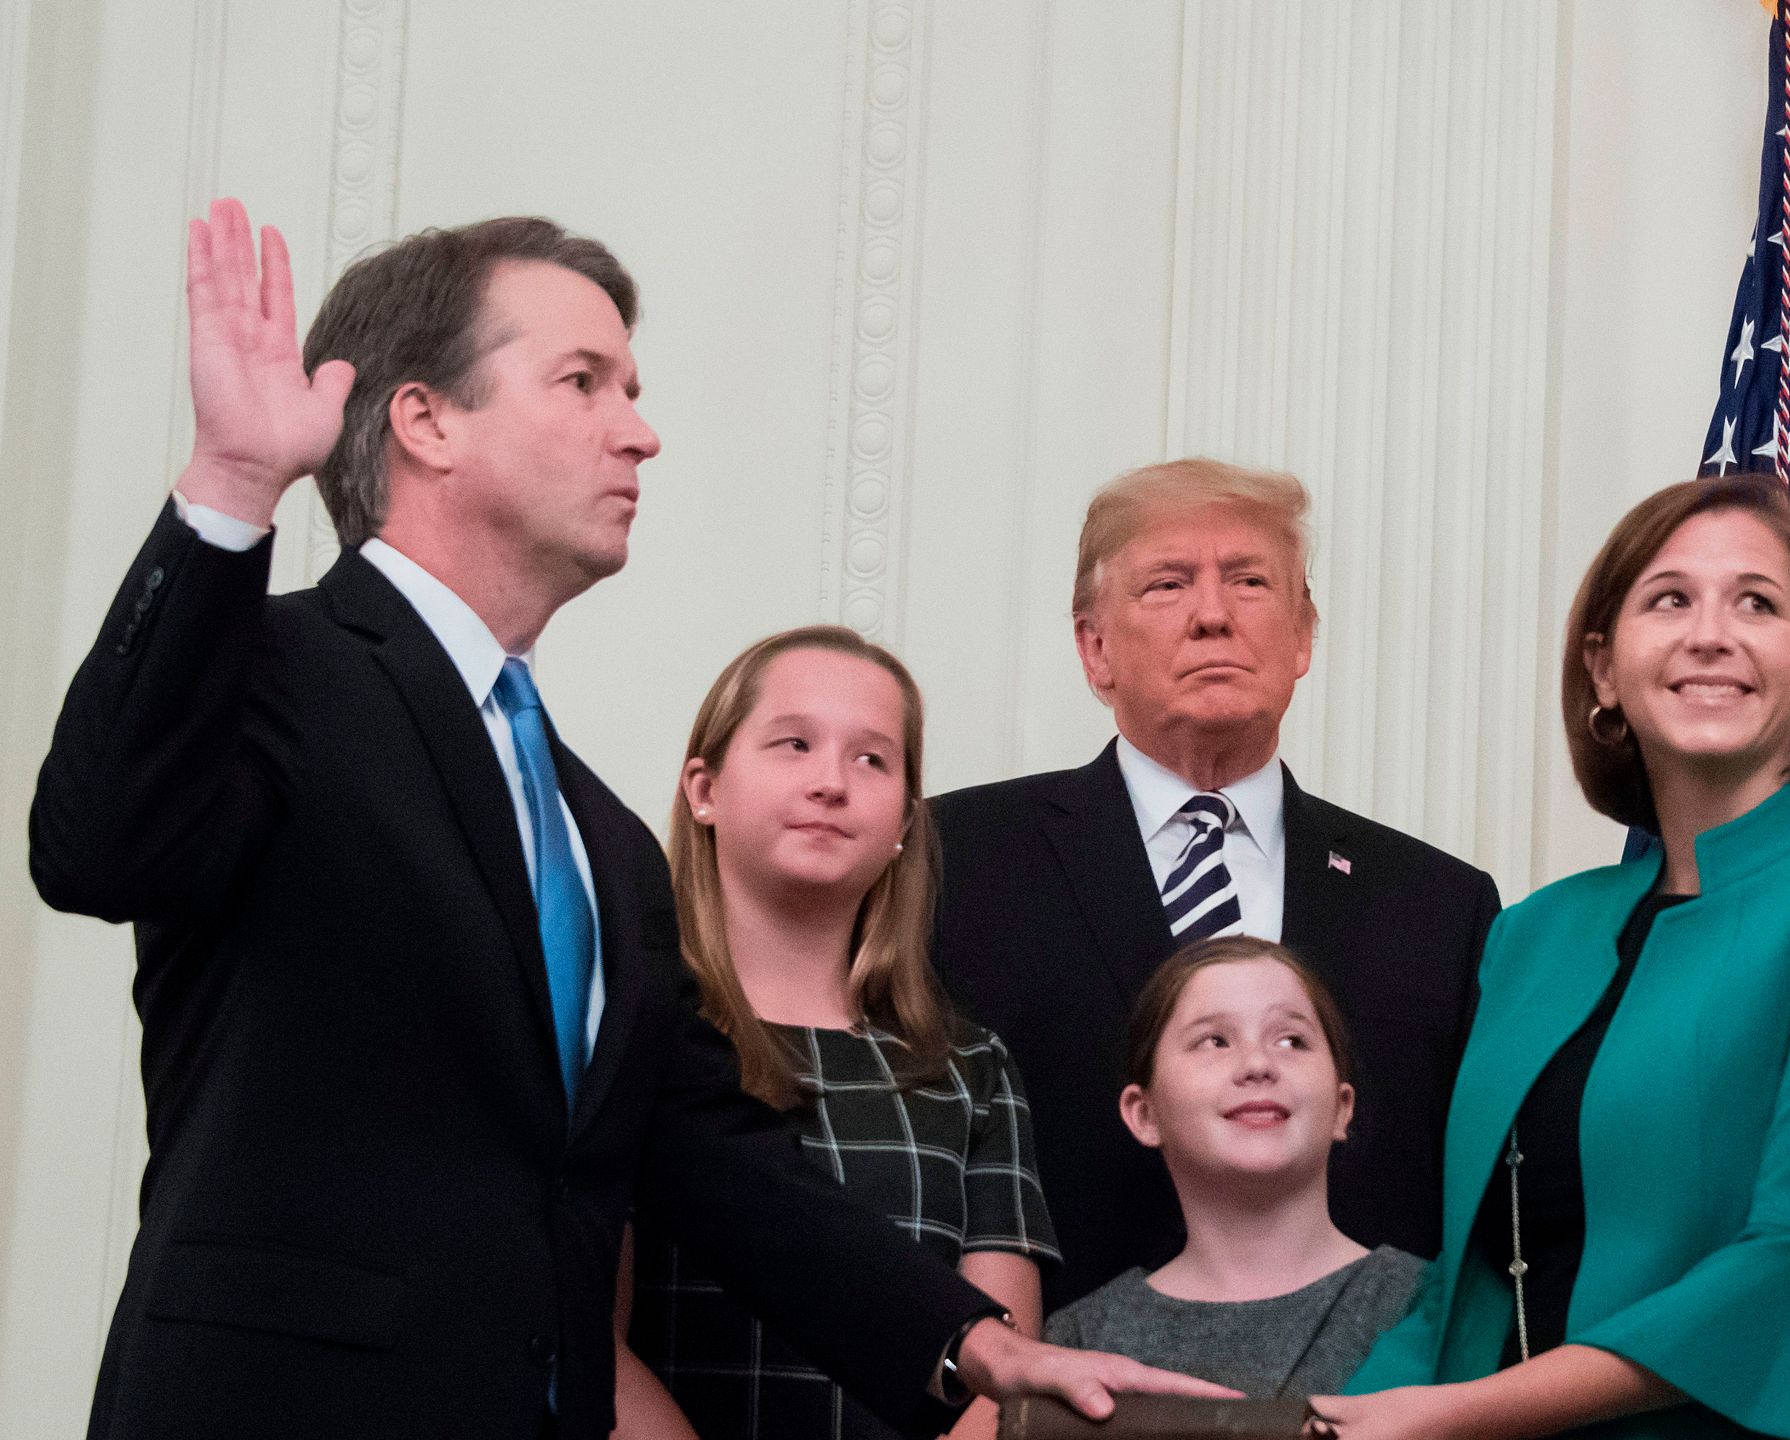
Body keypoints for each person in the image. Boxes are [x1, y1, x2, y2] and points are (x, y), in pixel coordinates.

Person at [25, 201, 1223, 1440]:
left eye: (631, 390)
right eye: (584, 382)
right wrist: (229, 488)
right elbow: (92, 847)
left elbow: (709, 1156)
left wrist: (971, 1346)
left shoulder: (595, 832)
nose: (640, 435)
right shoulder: (273, 675)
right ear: (427, 420)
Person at [1322, 475, 1790, 1439]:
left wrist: (1461, 1417)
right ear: (1604, 669)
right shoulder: (1531, 936)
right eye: (1670, 599)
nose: (1709, 634)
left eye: (1756, 603)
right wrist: (1325, 1420)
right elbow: (1467, 1277)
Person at [932, 458, 1501, 1306]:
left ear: (1303, 637)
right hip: (1047, 1393)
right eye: (1167, 584)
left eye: (1250, 581)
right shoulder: (952, 860)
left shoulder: (1440, 907)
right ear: (1095, 648)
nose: (1212, 616)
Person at [613, 627, 1059, 1440]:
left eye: (872, 759)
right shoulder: (625, 1032)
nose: (831, 783)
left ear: (904, 823)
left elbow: (1005, 1374)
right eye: (794, 743)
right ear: (703, 787)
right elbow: (591, 1346)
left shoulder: (968, 1068)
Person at [1043, 937, 1424, 1400]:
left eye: (1291, 1040)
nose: (1258, 1064)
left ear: (1342, 1108)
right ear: (1145, 1114)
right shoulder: (1081, 1343)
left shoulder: (1428, 1305)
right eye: (1214, 1041)